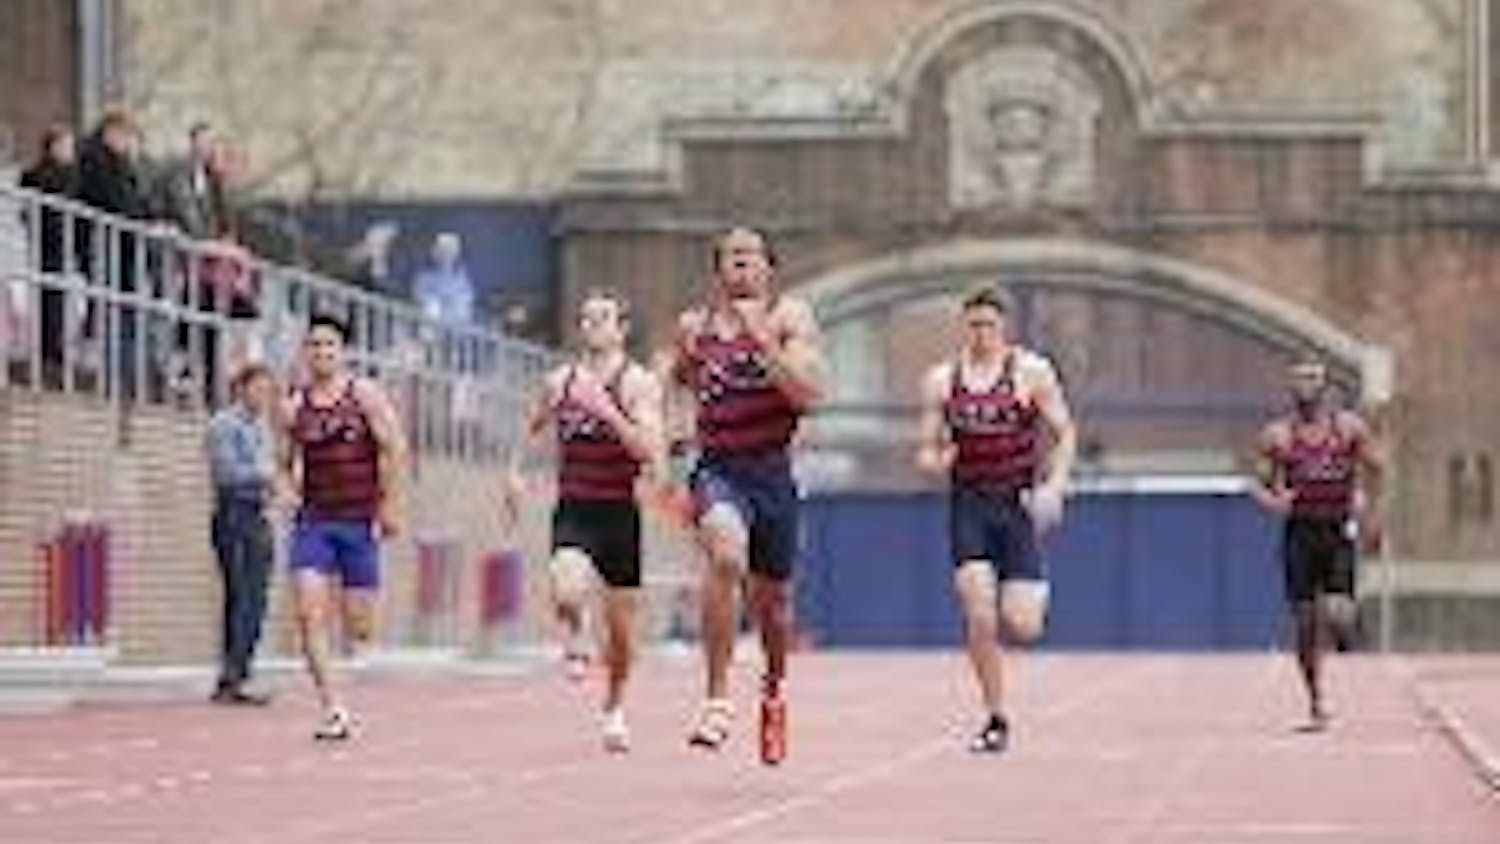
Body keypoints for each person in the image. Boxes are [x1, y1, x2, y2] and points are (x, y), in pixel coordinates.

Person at [661, 226, 827, 765]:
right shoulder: (695, 327)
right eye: (731, 258)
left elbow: (808, 396)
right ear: (718, 271)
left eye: (750, 257)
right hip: (719, 470)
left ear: (768, 269)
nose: (741, 265)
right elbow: (676, 381)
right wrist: (674, 431)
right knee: (726, 553)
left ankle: (773, 689)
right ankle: (716, 699)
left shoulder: (790, 319)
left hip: (772, 475)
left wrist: (763, 344)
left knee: (774, 607)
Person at [914, 285, 1077, 754]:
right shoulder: (943, 380)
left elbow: (1065, 433)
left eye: (989, 325)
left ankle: (1028, 595)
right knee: (979, 613)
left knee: (1023, 626)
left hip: (1017, 504)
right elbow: (925, 447)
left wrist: (1054, 486)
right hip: (969, 505)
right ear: (963, 327)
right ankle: (995, 715)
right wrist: (933, 461)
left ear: (1004, 327)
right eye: (973, 325)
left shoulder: (1031, 372)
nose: (981, 334)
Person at [507, 289, 663, 752]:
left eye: (602, 318)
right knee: (567, 587)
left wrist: (607, 412)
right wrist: (514, 471)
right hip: (575, 505)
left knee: (621, 636)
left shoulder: (638, 384)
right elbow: (532, 425)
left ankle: (614, 710)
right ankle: (575, 631)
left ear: (622, 328)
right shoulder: (560, 381)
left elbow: (648, 452)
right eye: (586, 318)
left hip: (620, 513)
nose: (592, 325)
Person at [277, 314, 406, 740]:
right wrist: (286, 490)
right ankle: (333, 708)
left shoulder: (364, 394)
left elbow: (394, 449)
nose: (321, 353)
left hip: (358, 520)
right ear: (305, 352)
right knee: (308, 616)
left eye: (329, 345)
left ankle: (349, 638)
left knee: (360, 628)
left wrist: (389, 506)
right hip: (314, 521)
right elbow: (283, 460)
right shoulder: (294, 405)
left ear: (342, 351)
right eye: (313, 345)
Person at [1252, 360, 1381, 731]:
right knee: (1305, 625)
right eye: (1299, 379)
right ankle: (1315, 699)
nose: (1306, 385)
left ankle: (1346, 630)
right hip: (1300, 534)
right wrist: (1274, 500)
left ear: (1327, 387)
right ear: (1291, 388)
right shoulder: (1277, 435)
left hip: (1337, 529)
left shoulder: (1349, 429)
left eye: (1313, 378)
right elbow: (1259, 484)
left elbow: (1378, 469)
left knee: (1339, 612)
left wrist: (1367, 504)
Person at [205, 363, 279, 705]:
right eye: (259, 388)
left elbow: (269, 471)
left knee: (257, 596)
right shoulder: (223, 424)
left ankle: (240, 672)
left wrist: (271, 484)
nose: (264, 396)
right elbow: (226, 473)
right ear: (242, 388)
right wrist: (264, 475)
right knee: (240, 596)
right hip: (233, 513)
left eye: (268, 390)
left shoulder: (263, 427)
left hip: (258, 514)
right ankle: (231, 676)